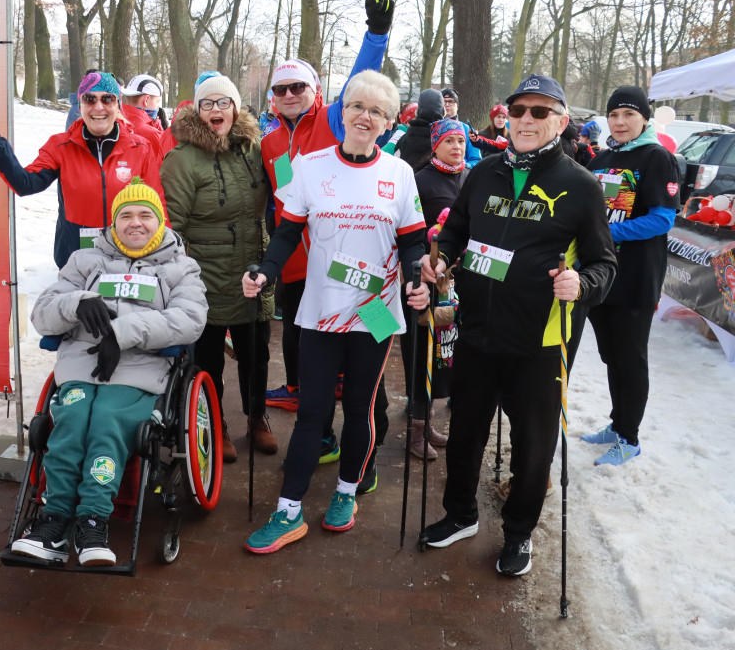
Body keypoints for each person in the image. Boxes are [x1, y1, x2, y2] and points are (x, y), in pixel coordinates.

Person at [418, 73, 617, 576]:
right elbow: (456, 231)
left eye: (540, 111)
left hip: (539, 340)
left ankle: (518, 533)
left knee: (532, 447)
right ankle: (460, 514)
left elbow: (604, 264)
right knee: (465, 433)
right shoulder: (483, 172)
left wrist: (581, 283)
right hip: (477, 331)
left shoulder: (581, 184)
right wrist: (438, 259)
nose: (526, 120)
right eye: (518, 110)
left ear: (561, 121)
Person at [242, 70, 431, 554]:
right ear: (341, 112)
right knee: (313, 411)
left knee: (362, 406)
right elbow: (287, 231)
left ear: (388, 123)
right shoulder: (309, 165)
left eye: (377, 111)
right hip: (322, 307)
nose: (365, 117)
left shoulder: (399, 173)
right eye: (357, 107)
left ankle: (346, 492)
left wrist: (416, 279)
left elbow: (412, 241)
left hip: (376, 309)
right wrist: (265, 270)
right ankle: (289, 511)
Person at [14, 178, 208, 566]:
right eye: (126, 215)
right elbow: (41, 315)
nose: (135, 223)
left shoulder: (180, 268)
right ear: (113, 223)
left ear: (160, 222)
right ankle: (54, 521)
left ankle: (92, 521)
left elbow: (189, 320)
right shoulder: (84, 261)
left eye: (145, 215)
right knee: (71, 421)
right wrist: (76, 302)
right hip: (81, 367)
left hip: (138, 370)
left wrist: (122, 333)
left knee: (106, 422)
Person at [260, 0, 394, 480]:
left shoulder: (334, 119)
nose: (289, 94)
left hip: (368, 281)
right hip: (307, 275)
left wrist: (376, 34)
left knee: (369, 377)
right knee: (305, 363)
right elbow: (278, 203)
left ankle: (367, 459)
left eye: (298, 86)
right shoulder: (270, 141)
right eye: (281, 88)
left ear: (315, 91)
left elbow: (361, 80)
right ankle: (320, 437)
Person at [160, 74, 276, 462]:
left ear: (235, 108)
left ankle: (256, 417)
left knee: (256, 354)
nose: (216, 109)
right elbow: (172, 226)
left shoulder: (256, 149)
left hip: (252, 271)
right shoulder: (182, 159)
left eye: (223, 102)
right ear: (197, 110)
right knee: (208, 358)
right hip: (205, 276)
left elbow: (285, 193)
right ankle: (214, 422)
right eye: (207, 103)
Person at [579, 85, 681, 466]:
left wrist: (607, 233)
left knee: (631, 357)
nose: (620, 122)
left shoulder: (657, 157)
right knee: (611, 355)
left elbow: (662, 219)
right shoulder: (603, 158)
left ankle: (630, 437)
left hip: (636, 276)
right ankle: (617, 423)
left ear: (644, 118)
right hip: (600, 275)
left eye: (629, 115)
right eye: (614, 115)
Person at [0, 72, 164, 269]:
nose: (99, 107)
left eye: (107, 99)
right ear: (80, 106)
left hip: (127, 256)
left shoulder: (141, 148)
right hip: (74, 256)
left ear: (118, 106)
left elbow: (158, 204)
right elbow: (26, 183)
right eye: (89, 99)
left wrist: (163, 250)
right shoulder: (60, 146)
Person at [401, 118, 470, 459]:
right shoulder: (420, 180)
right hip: (426, 279)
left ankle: (427, 421)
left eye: (461, 140)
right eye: (449, 141)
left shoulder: (470, 177)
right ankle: (415, 429)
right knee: (420, 353)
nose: (456, 147)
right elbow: (409, 231)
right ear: (435, 145)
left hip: (458, 282)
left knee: (445, 353)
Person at [392, 89, 445, 168]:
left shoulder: (403, 140)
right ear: (443, 112)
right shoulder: (447, 140)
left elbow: (396, 167)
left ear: (417, 111)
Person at [120, 73, 166, 161]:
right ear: (146, 100)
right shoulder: (153, 135)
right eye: (157, 102)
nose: (157, 107)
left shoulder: (115, 124)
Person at [440, 88, 482, 167]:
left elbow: (476, 160)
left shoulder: (468, 130)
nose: (447, 105)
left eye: (451, 101)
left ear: (457, 106)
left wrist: (461, 167)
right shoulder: (434, 129)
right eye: (443, 102)